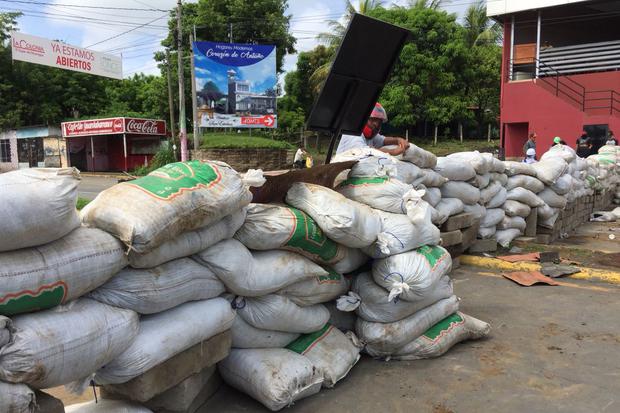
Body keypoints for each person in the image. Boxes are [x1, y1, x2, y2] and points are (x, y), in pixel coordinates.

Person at [336, 102, 409, 156]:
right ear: (363, 118)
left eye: (379, 122)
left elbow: (383, 140)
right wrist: (393, 152)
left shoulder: (371, 135)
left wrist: (398, 140)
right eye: (373, 119)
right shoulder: (353, 132)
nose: (376, 124)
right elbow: (364, 151)